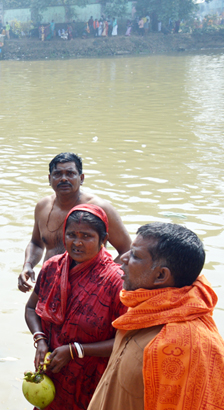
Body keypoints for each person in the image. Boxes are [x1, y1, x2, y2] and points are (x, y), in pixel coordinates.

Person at [88, 223, 224, 410]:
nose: (123, 259)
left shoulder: (190, 345)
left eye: (135, 255)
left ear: (161, 275)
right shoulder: (143, 311)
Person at [25, 204, 127, 410]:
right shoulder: (52, 267)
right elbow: (30, 309)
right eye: (71, 234)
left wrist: (75, 351)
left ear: (103, 239)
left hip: (91, 378)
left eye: (87, 236)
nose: (77, 242)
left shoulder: (116, 281)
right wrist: (40, 339)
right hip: (51, 370)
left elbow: (125, 342)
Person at [18, 152, 130, 292]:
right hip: (50, 283)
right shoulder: (43, 206)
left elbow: (128, 250)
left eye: (70, 173)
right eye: (58, 174)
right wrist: (28, 265)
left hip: (88, 289)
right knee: (33, 312)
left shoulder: (99, 207)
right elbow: (36, 243)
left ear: (81, 178)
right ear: (49, 178)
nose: (64, 179)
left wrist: (103, 277)